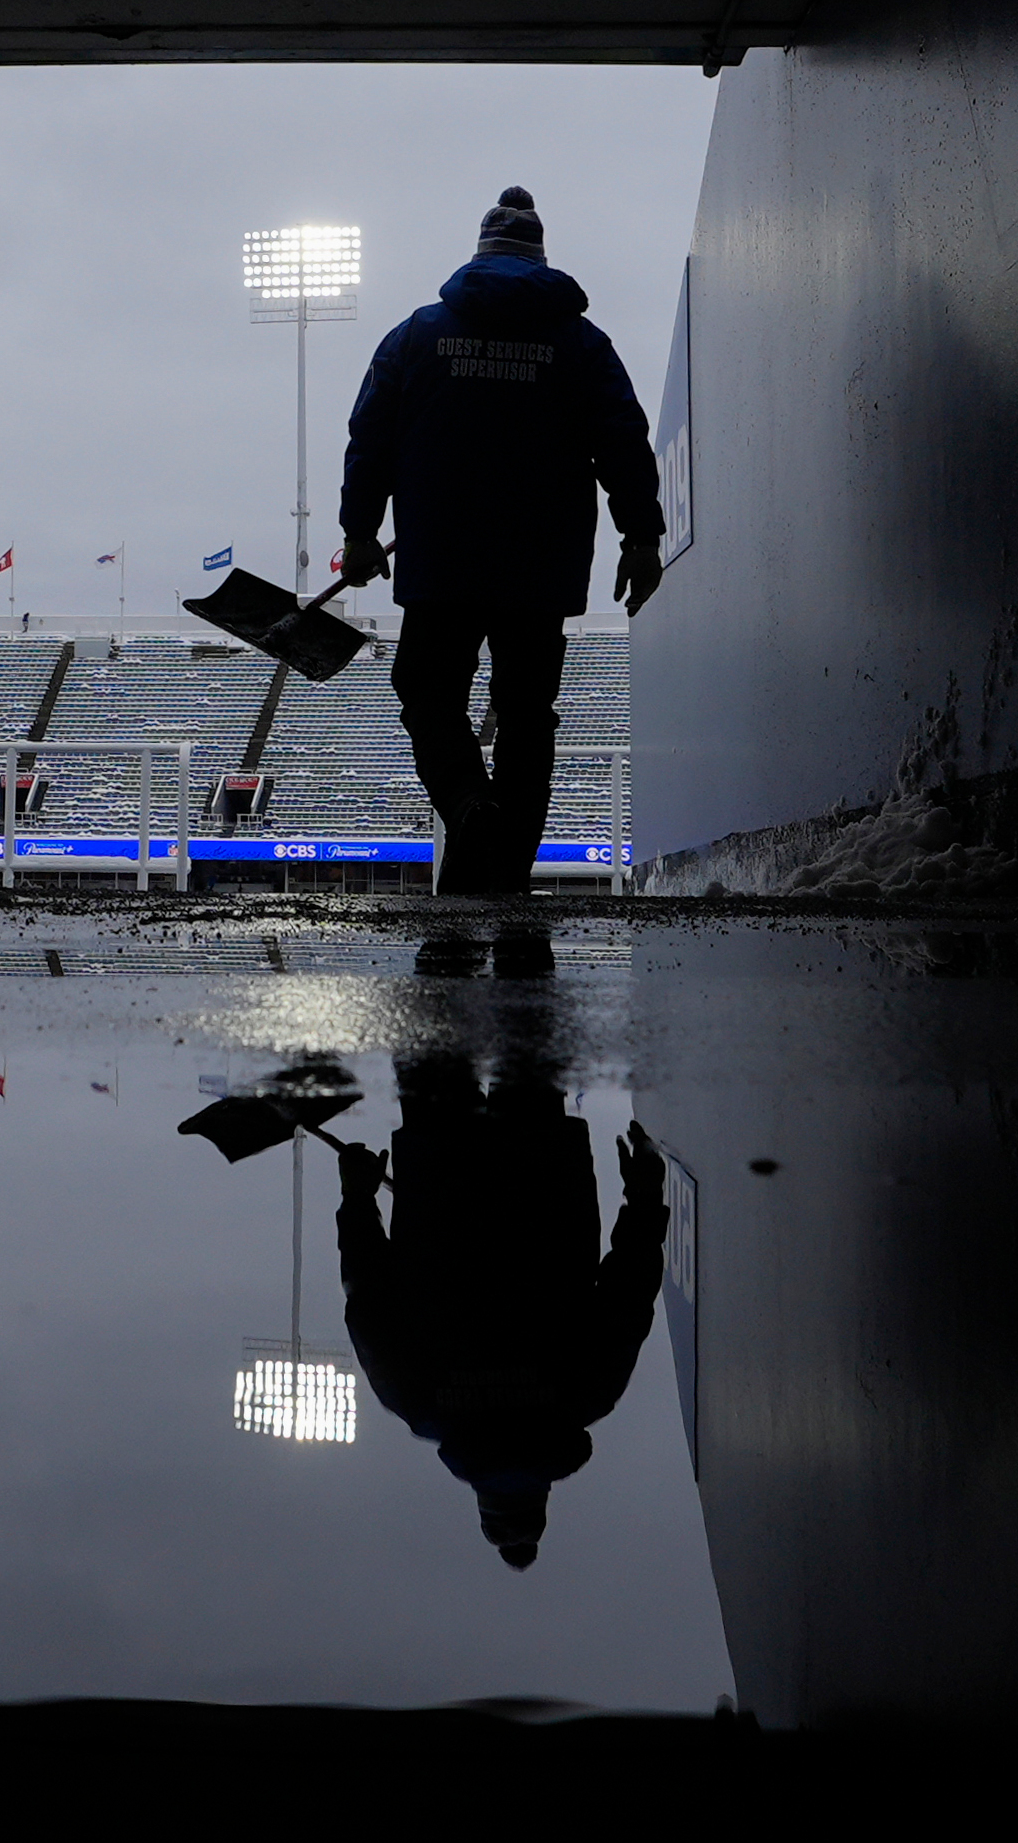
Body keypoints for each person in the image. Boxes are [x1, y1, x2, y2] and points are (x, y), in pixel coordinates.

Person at [332, 187, 668, 895]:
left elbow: (370, 440)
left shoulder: (415, 337)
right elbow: (624, 442)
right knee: (525, 714)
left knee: (427, 693)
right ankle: (504, 868)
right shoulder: (582, 345)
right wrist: (640, 536)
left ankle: (467, 805)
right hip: (540, 569)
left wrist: (360, 532)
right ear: (541, 260)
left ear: (480, 254)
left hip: (441, 561)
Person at [333, 1033, 669, 1571]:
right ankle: (445, 952)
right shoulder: (416, 1402)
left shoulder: (587, 1395)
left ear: (542, 1497)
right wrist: (357, 1201)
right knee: (433, 1023)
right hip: (440, 1174)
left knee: (527, 1015)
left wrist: (645, 1197)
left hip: (544, 1175)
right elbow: (367, 1297)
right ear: (480, 1499)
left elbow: (631, 1289)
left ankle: (521, 951)